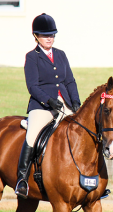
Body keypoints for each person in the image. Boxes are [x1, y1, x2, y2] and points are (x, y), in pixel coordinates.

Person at [15, 13, 81, 199]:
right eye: (46, 35)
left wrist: (76, 101)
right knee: (33, 133)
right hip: (42, 106)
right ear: (36, 36)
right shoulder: (32, 57)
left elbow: (70, 81)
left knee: (84, 130)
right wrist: (49, 101)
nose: (49, 38)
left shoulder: (61, 55)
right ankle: (21, 180)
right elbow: (32, 86)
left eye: (52, 35)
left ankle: (89, 179)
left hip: (65, 105)